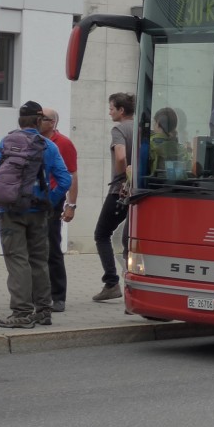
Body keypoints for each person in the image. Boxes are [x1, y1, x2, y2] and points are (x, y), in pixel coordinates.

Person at [0, 100, 71, 329]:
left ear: (19, 120)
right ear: (38, 121)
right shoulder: (49, 146)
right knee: (38, 261)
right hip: (38, 212)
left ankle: (22, 312)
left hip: (10, 211)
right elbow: (65, 180)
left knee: (17, 262)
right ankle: (43, 311)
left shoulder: (7, 141)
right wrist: (49, 202)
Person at [92, 92, 134, 302]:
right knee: (130, 238)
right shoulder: (141, 127)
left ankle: (111, 283)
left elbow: (120, 156)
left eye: (111, 108)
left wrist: (121, 178)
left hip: (120, 190)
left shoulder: (119, 129)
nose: (109, 112)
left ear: (121, 110)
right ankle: (133, 285)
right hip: (139, 191)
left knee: (101, 234)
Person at [40, 107, 78, 312]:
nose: (38, 121)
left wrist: (71, 205)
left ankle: (58, 296)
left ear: (53, 122)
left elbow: (72, 175)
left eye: (42, 118)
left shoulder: (63, 143)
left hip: (53, 201)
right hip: (35, 202)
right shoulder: (34, 141)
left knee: (53, 248)